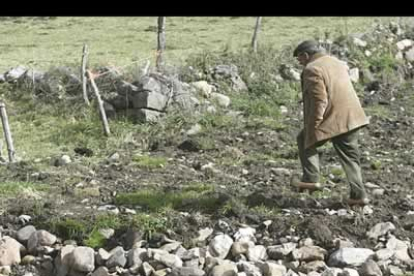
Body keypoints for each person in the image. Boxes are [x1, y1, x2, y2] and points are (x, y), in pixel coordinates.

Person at [292, 40, 370, 206]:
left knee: (304, 138)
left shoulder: (312, 69)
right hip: (353, 116)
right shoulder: (336, 62)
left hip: (333, 119)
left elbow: (319, 100)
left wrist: (315, 124)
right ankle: (358, 196)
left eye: (299, 58)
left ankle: (311, 179)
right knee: (350, 158)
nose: (299, 62)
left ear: (306, 55)